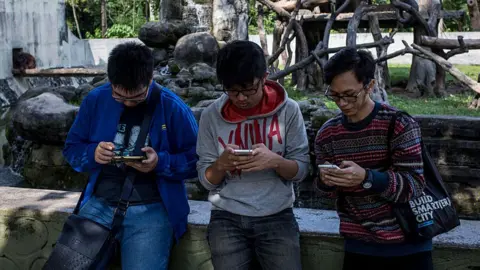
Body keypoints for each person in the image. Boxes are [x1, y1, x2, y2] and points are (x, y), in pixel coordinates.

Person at [63, 41, 198, 269]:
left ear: (150, 79)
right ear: (110, 81)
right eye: (118, 96)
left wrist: (160, 162)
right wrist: (92, 153)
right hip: (100, 204)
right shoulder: (96, 100)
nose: (126, 102)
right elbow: (71, 149)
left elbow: (197, 161)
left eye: (135, 98)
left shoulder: (173, 108)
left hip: (152, 210)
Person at [314, 47, 433, 270]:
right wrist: (326, 180)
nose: (342, 103)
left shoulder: (399, 124)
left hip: (409, 244)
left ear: (370, 86)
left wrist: (367, 178)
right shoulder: (327, 134)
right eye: (335, 95)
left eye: (349, 95)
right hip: (359, 246)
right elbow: (323, 192)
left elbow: (414, 185)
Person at [196, 40, 310, 270]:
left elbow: (301, 170)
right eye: (231, 90)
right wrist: (220, 165)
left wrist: (275, 161)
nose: (240, 98)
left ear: (265, 77)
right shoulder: (211, 116)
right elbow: (205, 181)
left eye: (248, 89)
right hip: (226, 216)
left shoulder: (288, 110)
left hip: (277, 214)